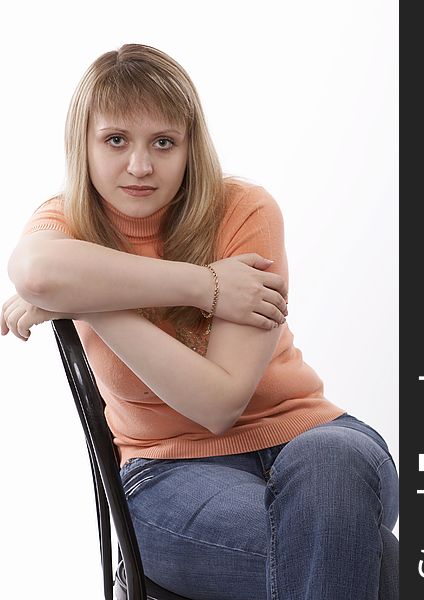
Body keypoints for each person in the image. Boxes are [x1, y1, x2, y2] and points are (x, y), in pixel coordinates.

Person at [1, 44, 399, 599]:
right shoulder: (65, 222)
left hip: (313, 440)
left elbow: (219, 400)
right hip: (168, 474)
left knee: (336, 461)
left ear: (191, 147)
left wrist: (83, 295)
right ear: (83, 144)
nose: (140, 166)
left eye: (163, 142)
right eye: (116, 140)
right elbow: (34, 269)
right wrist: (209, 285)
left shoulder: (245, 210)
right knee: (371, 556)